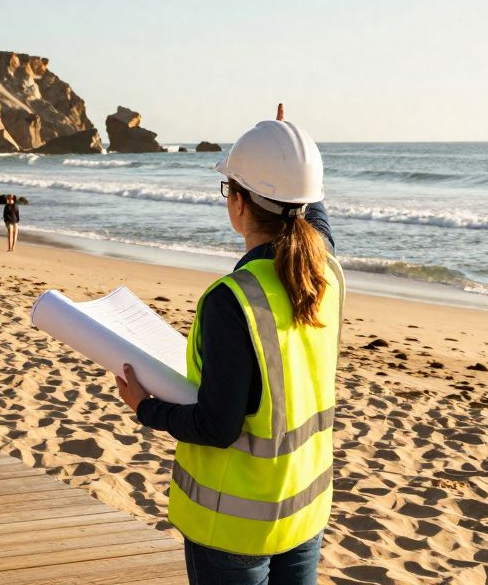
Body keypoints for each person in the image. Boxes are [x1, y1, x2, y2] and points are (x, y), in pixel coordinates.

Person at [115, 103, 343, 585]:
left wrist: (145, 408)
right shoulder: (325, 271)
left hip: (235, 530)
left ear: (238, 202)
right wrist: (288, 145)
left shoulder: (233, 300)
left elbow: (217, 426)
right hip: (304, 509)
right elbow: (313, 216)